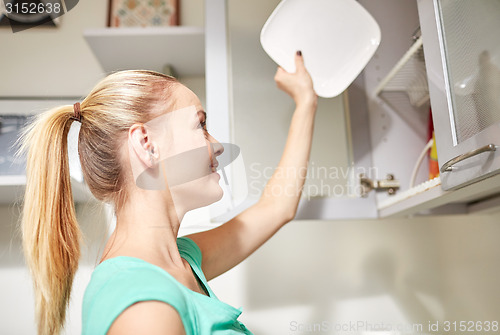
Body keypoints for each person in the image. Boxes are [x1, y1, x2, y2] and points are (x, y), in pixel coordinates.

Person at [20, 51, 317, 335]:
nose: (217, 144)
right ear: (147, 145)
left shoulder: (181, 259)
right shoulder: (143, 308)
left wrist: (306, 102)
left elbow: (277, 208)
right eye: (200, 125)